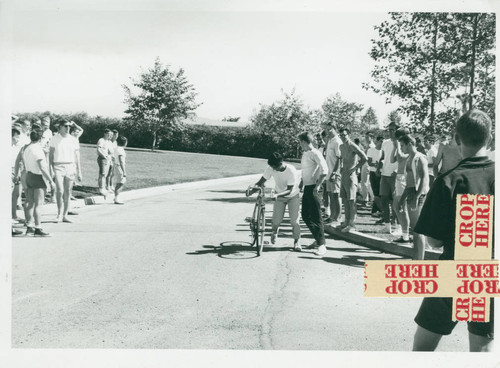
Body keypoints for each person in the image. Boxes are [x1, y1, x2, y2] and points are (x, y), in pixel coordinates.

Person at [412, 109, 494, 352]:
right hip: (487, 274)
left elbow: (435, 242)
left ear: (457, 139)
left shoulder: (448, 180)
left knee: (423, 349)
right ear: (489, 139)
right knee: (481, 348)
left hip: (453, 271)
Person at [247, 152, 301, 251]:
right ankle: (274, 231)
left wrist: (277, 195)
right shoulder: (271, 168)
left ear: (280, 163)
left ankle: (296, 242)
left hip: (293, 196)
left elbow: (289, 190)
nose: (273, 169)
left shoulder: (291, 170)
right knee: (276, 220)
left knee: (294, 221)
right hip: (279, 195)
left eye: (274, 167)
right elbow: (261, 182)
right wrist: (252, 191)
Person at [397, 134, 429, 259]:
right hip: (411, 193)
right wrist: (401, 199)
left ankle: (419, 261)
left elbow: (424, 179)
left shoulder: (420, 158)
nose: (402, 148)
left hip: (418, 195)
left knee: (418, 230)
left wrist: (417, 196)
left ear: (410, 144)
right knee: (414, 229)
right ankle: (416, 258)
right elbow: (409, 182)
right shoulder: (409, 159)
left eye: (403, 145)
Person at [298, 132, 329, 256]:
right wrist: (301, 182)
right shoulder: (305, 153)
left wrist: (318, 185)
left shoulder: (316, 153)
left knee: (316, 216)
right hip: (307, 187)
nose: (300, 144)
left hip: (314, 188)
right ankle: (318, 240)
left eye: (300, 142)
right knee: (305, 216)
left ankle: (322, 245)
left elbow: (325, 170)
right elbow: (306, 170)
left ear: (305, 142)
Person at [23, 129, 55, 236]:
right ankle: (38, 228)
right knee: (38, 204)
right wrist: (51, 181)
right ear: (41, 138)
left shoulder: (27, 148)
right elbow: (43, 167)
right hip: (37, 177)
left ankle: (29, 226)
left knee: (29, 202)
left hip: (28, 175)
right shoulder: (38, 149)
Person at [49, 120, 82, 222]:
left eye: (69, 126)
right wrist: (51, 169)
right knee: (59, 190)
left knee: (67, 191)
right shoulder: (54, 138)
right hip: (58, 166)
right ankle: (59, 214)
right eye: (65, 126)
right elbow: (50, 155)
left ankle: (65, 215)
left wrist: (79, 171)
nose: (68, 128)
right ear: (59, 127)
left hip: (70, 166)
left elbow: (77, 156)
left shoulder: (73, 139)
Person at [338, 128, 367, 233]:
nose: (343, 137)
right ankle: (346, 221)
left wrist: (355, 168)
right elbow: (341, 159)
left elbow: (364, 158)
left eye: (344, 135)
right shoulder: (341, 146)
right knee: (345, 200)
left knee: (352, 201)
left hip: (351, 176)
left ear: (348, 135)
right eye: (341, 135)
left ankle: (352, 223)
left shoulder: (353, 146)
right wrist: (341, 167)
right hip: (344, 175)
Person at [376, 122, 399, 233]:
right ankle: (387, 226)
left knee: (396, 202)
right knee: (384, 200)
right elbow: (383, 157)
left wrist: (397, 171)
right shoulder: (385, 142)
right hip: (384, 175)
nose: (390, 132)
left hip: (396, 176)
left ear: (397, 130)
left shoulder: (400, 142)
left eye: (393, 130)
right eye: (389, 129)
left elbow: (404, 159)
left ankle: (398, 227)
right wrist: (378, 168)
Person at [390, 127, 410, 241]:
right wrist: (395, 146)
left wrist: (397, 145)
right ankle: (404, 232)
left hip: (404, 178)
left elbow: (401, 158)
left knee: (401, 207)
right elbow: (392, 160)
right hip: (399, 178)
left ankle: (406, 235)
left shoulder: (408, 147)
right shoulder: (400, 146)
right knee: (396, 207)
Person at [321, 122, 343, 225]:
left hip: (335, 173)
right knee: (330, 195)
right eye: (326, 129)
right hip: (328, 173)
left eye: (330, 129)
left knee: (336, 195)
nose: (328, 131)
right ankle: (332, 216)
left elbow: (339, 158)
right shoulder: (329, 141)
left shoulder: (337, 141)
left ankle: (337, 218)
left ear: (335, 129)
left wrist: (335, 172)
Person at [367, 136, 384, 216]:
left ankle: (376, 210)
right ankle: (379, 210)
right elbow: (369, 162)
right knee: (376, 192)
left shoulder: (384, 151)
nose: (382, 143)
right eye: (380, 141)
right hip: (373, 173)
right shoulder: (371, 150)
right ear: (376, 141)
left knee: (380, 193)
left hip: (382, 173)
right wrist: (376, 165)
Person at [97, 129, 114, 195]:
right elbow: (99, 150)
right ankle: (101, 189)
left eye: (110, 135)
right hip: (102, 158)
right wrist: (104, 156)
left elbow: (111, 151)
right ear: (105, 133)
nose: (109, 136)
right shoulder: (101, 140)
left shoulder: (108, 142)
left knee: (106, 174)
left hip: (108, 159)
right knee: (102, 174)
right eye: (108, 134)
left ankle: (104, 188)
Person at [113, 136, 128, 205]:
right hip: (119, 166)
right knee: (121, 183)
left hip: (116, 165)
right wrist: (124, 171)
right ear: (125, 143)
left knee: (119, 183)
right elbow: (121, 161)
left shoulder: (116, 148)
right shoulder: (121, 150)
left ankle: (116, 197)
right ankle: (117, 198)